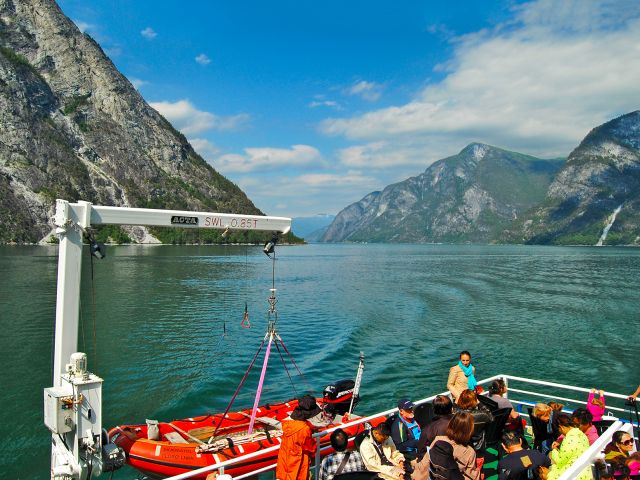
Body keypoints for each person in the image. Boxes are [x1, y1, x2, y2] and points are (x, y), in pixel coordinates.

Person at [275, 395, 320, 480]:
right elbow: (311, 448)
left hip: (284, 464)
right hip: (297, 468)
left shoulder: (287, 422)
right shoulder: (304, 429)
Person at [430, 412, 481, 480]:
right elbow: (471, 477)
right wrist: (478, 472)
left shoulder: (438, 439)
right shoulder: (469, 452)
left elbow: (428, 460)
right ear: (469, 431)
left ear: (451, 424)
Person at [544, 413, 593, 480]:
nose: (561, 432)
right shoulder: (583, 435)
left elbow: (560, 461)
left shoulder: (568, 439)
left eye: (559, 430)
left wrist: (554, 450)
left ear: (561, 427)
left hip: (572, 474)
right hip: (585, 473)